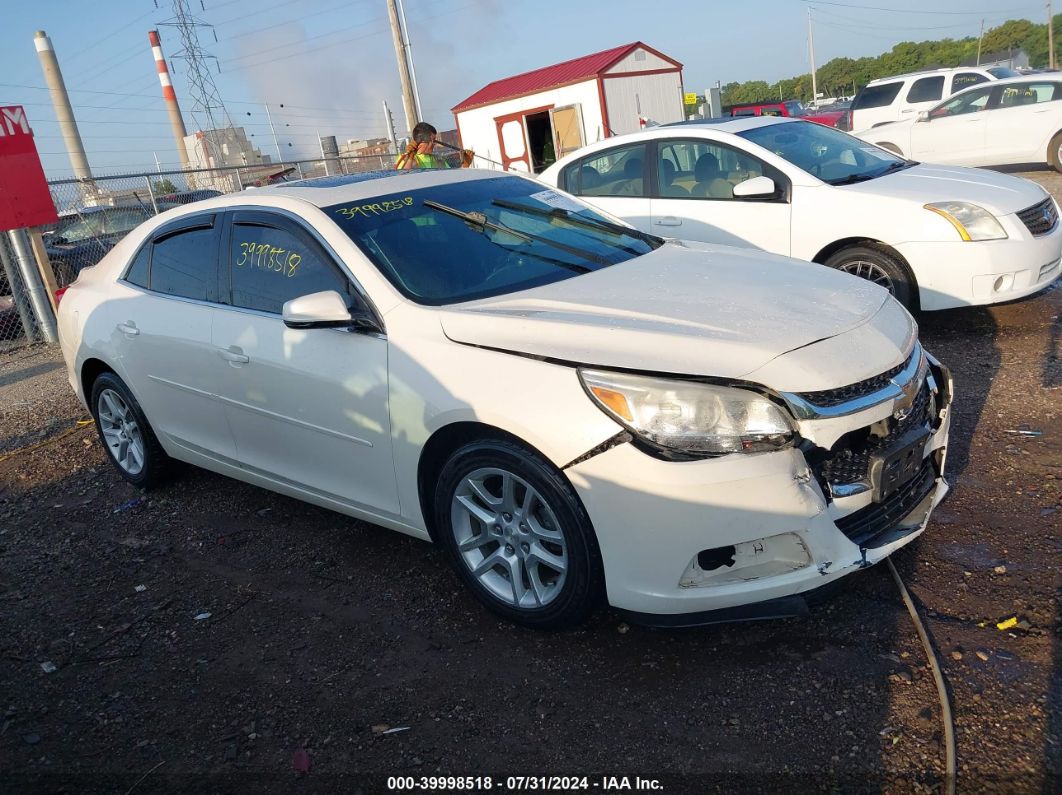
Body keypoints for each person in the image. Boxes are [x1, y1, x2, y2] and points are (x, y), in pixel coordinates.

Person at [394, 122, 473, 169]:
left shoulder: (438, 160)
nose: (434, 144)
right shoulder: (405, 158)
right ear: (422, 141)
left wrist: (465, 166)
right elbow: (402, 178)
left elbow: (450, 180)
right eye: (433, 140)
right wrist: (410, 156)